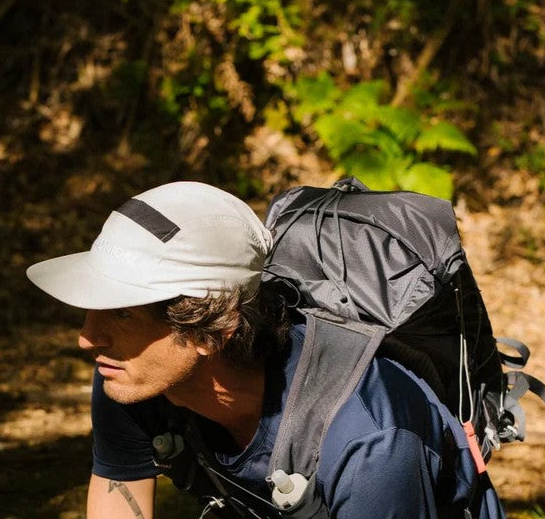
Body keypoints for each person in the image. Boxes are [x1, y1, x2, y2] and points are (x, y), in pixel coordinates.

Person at [26, 181, 506, 519]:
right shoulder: (131, 374)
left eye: (123, 314)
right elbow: (118, 496)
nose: (87, 339)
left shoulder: (368, 442)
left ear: (211, 329)